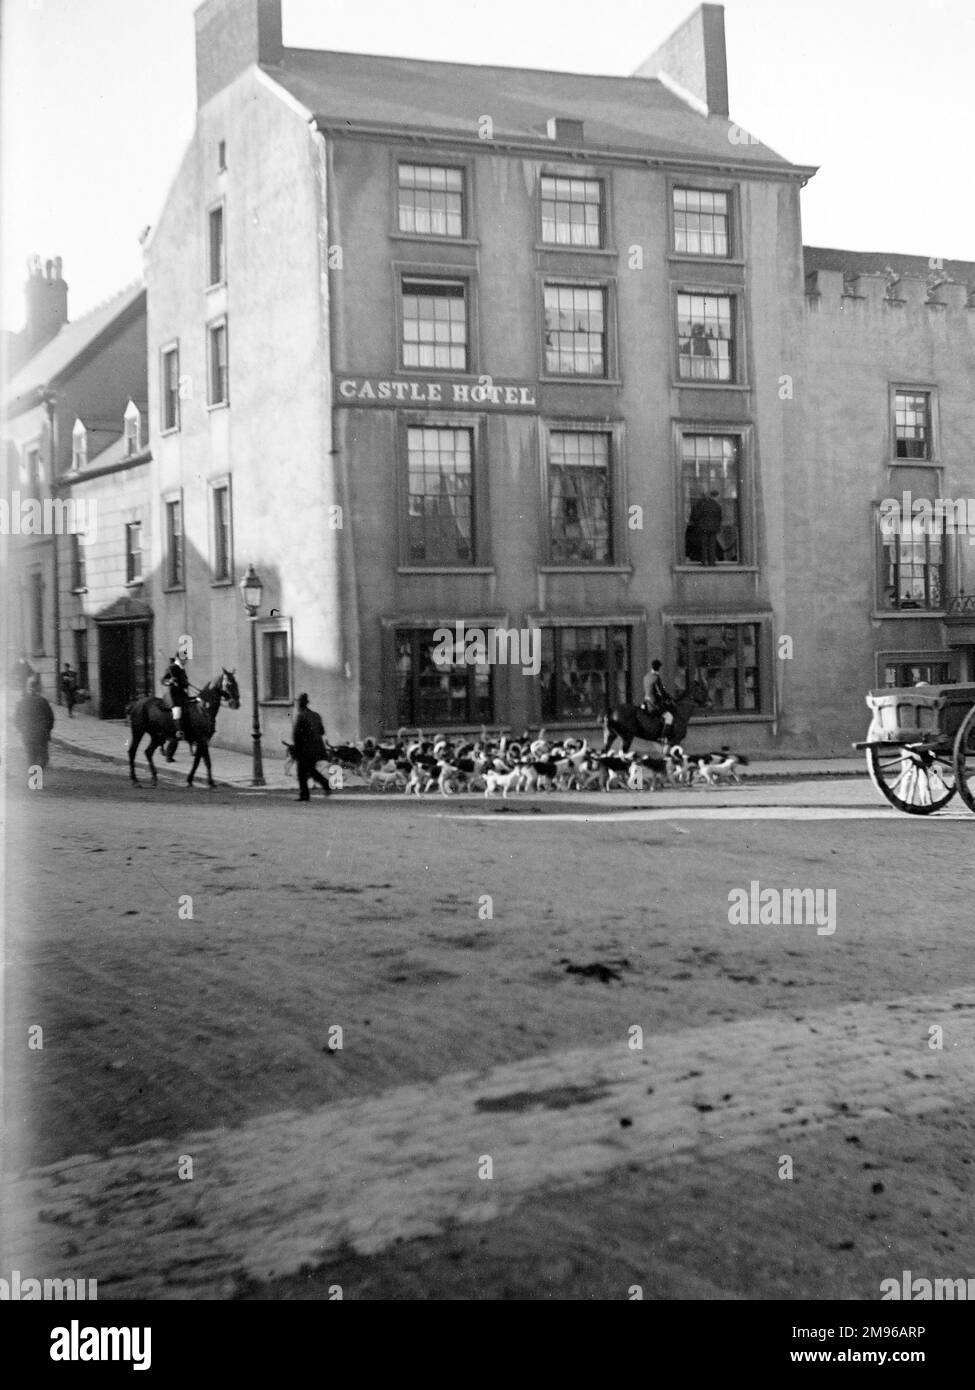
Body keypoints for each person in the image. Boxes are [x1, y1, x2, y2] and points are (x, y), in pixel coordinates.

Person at [291, 693, 330, 801]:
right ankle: (325, 784)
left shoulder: (301, 716)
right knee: (310, 770)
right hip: (317, 749)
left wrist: (296, 749)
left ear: (300, 704)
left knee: (301, 772)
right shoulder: (316, 715)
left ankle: (305, 794)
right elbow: (322, 731)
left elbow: (297, 735)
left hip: (305, 749)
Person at [15, 675, 55, 768]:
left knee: (32, 758)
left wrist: (23, 730)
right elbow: (50, 718)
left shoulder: (22, 701)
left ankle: (34, 780)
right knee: (43, 758)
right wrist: (47, 730)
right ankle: (35, 779)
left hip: (28, 735)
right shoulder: (42, 701)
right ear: (37, 689)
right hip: (41, 735)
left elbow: (17, 719)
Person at [161, 654, 191, 742]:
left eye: (186, 659)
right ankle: (178, 731)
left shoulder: (182, 668)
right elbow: (163, 680)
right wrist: (170, 681)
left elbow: (184, 681)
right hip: (174, 695)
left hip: (182, 693)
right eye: (183, 659)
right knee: (177, 711)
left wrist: (186, 683)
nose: (185, 660)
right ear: (178, 658)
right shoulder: (172, 667)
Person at [689, 489, 723, 566]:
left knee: (704, 545)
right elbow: (719, 518)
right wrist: (718, 527)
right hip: (713, 528)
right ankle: (712, 562)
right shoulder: (718, 506)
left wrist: (697, 524)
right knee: (712, 545)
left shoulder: (704, 504)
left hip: (703, 528)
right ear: (716, 496)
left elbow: (697, 515)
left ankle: (704, 561)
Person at [641, 659, 676, 734]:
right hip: (655, 704)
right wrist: (668, 698)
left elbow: (646, 691)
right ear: (658, 668)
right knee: (669, 717)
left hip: (647, 703)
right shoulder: (656, 678)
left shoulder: (646, 676)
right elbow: (661, 691)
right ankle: (664, 737)